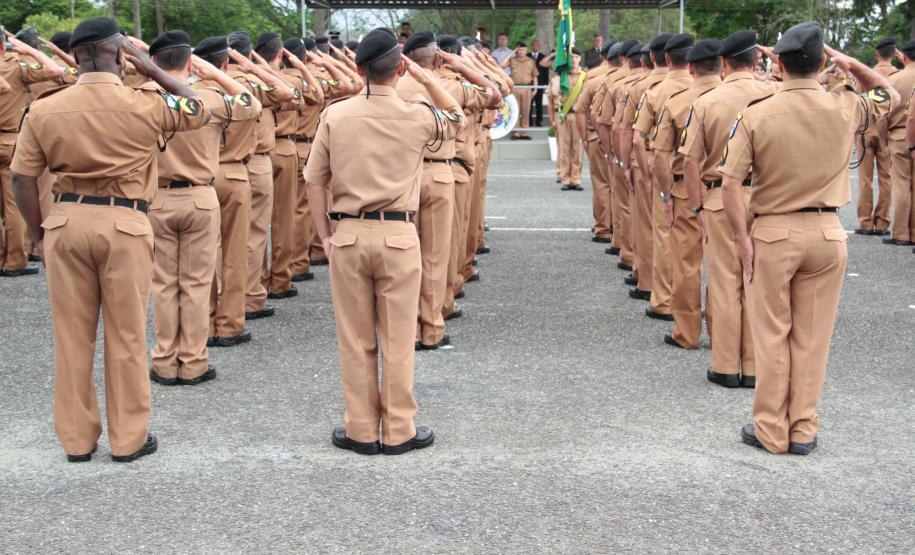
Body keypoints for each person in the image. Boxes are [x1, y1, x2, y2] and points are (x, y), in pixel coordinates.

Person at [11, 17, 211, 462]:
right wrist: (153, 69)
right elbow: (200, 107)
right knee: (125, 336)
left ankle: (78, 442)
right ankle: (128, 439)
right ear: (119, 54)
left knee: (72, 337)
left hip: (65, 223)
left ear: (77, 56)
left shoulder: (45, 108)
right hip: (125, 223)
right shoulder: (143, 103)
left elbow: (22, 178)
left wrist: (37, 232)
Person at [718, 22, 897, 454]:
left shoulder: (757, 112)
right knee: (813, 337)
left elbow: (729, 184)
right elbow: (887, 93)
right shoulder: (845, 106)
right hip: (827, 232)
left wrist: (742, 240)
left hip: (773, 231)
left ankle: (771, 429)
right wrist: (849, 62)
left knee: (771, 333)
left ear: (776, 64)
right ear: (822, 62)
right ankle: (803, 428)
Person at [304, 28, 463, 455]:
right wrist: (427, 78)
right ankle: (398, 429)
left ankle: (360, 429)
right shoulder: (416, 114)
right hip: (397, 234)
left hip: (349, 233)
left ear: (358, 70)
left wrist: (323, 235)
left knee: (355, 339)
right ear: (399, 69)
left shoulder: (336, 115)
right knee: (397, 338)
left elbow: (314, 180)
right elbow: (456, 118)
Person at [147, 31, 261, 384]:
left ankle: (165, 361)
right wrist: (214, 73)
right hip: (199, 196)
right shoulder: (208, 99)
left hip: (159, 197)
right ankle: (194, 361)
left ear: (155, 63)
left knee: (164, 285)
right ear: (189, 61)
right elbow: (251, 104)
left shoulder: (144, 98)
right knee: (196, 284)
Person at [679, 30, 776, 388]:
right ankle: (752, 366)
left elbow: (690, 162)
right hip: (767, 197)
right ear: (756, 61)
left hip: (720, 196)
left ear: (724, 63)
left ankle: (725, 365)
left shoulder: (706, 100)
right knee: (758, 281)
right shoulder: (774, 92)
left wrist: (697, 208)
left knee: (724, 282)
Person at [398, 31, 498, 350]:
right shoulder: (452, 85)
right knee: (436, 254)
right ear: (439, 57)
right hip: (442, 171)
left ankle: (409, 327)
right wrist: (464, 64)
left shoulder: (398, 87)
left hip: (405, 173)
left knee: (407, 255)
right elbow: (495, 94)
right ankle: (431, 327)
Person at [651, 38, 722, 351]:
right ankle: (725, 335)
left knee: (687, 265)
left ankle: (687, 332)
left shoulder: (678, 101)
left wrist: (666, 197)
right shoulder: (749, 96)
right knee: (726, 268)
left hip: (684, 190)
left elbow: (659, 155)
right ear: (723, 65)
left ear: (690, 67)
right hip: (732, 191)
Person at [224, 31, 297, 322]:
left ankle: (225, 300)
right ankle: (251, 296)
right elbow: (290, 93)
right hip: (253, 163)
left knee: (222, 239)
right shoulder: (252, 82)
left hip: (215, 166)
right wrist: (255, 66)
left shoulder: (205, 81)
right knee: (254, 233)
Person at [633, 34, 694, 321]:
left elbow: (637, 139)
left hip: (667, 167)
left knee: (665, 235)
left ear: (667, 59)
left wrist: (648, 179)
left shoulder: (654, 91)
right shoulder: (706, 89)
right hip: (711, 172)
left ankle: (666, 301)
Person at [0, 31, 63, 277]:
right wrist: (28, 49)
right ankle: (15, 260)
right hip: (11, 138)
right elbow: (57, 70)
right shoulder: (19, 66)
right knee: (14, 204)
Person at [854, 37, 897, 236]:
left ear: (877, 54)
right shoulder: (898, 75)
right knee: (886, 178)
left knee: (865, 179)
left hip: (866, 130)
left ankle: (865, 222)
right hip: (889, 132)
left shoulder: (867, 75)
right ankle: (882, 222)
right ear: (894, 54)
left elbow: (856, 102)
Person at [575, 40, 616, 242]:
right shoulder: (636, 78)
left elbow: (580, 110)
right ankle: (619, 227)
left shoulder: (591, 78)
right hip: (623, 137)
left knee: (601, 184)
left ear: (602, 56)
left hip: (597, 136)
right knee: (621, 185)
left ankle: (603, 227)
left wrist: (584, 138)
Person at [884, 39, 915, 246]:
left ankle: (901, 233)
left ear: (903, 57)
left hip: (899, 134)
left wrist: (883, 138)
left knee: (902, 184)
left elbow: (883, 114)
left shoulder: (895, 79)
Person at [550, 47, 585, 190]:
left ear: (580, 59)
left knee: (577, 148)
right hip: (563, 115)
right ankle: (565, 178)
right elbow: (554, 92)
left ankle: (576, 178)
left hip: (578, 115)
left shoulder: (585, 76)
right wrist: (559, 74)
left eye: (576, 57)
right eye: (571, 58)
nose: (574, 60)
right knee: (564, 148)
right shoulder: (561, 76)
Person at [501, 42, 537, 140]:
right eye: (519, 50)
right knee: (515, 110)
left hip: (527, 88)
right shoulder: (512, 60)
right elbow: (502, 64)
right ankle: (516, 132)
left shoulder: (531, 61)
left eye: (523, 49)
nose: (521, 51)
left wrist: (535, 89)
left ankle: (524, 132)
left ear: (526, 50)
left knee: (526, 110)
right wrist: (513, 52)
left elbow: (534, 76)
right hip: (515, 88)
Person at [530, 39, 549, 127]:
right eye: (534, 45)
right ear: (531, 46)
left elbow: (546, 71)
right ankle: (529, 121)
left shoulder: (543, 57)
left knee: (539, 103)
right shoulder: (527, 56)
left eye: (537, 45)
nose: (535, 46)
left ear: (539, 46)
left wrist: (545, 83)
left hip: (540, 83)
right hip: (529, 84)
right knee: (529, 103)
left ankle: (539, 121)